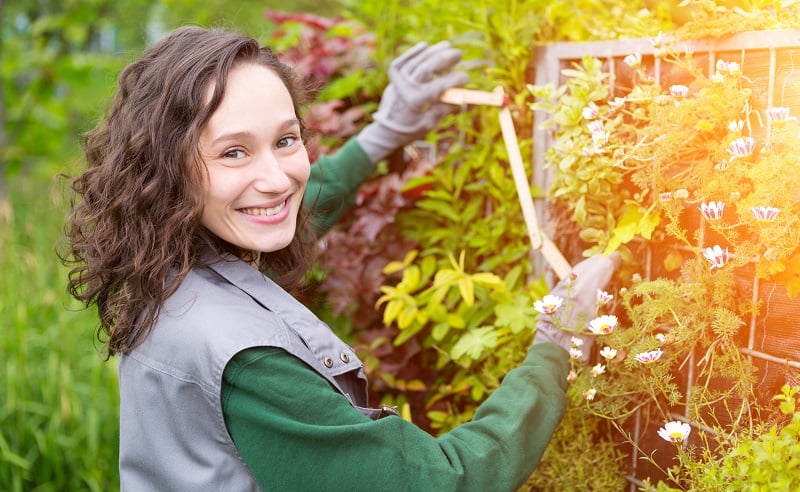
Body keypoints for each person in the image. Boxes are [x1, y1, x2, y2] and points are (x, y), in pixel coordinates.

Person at [63, 26, 618, 491]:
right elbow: (440, 483)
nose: (279, 178)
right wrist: (556, 345)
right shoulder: (253, 367)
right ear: (168, 169)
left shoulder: (165, 265)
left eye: (286, 139)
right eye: (234, 151)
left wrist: (383, 134)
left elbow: (284, 208)